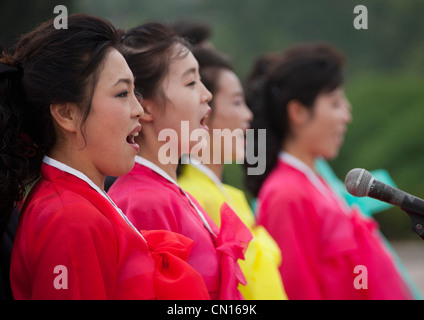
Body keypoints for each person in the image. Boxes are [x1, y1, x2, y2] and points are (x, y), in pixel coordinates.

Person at [0, 14, 210, 300]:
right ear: (67, 114)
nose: (138, 109)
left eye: (135, 92)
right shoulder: (70, 217)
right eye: (122, 93)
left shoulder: (79, 202)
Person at [245, 43, 414, 300]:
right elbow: (298, 290)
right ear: (298, 112)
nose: (346, 115)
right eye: (335, 103)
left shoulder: (315, 182)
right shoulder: (286, 195)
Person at [108, 22, 252, 300]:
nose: (206, 95)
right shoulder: (144, 201)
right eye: (190, 82)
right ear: (146, 106)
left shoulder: (170, 192)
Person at [177, 46, 287, 300]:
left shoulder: (231, 196)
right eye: (236, 102)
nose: (247, 116)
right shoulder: (191, 199)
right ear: (204, 110)